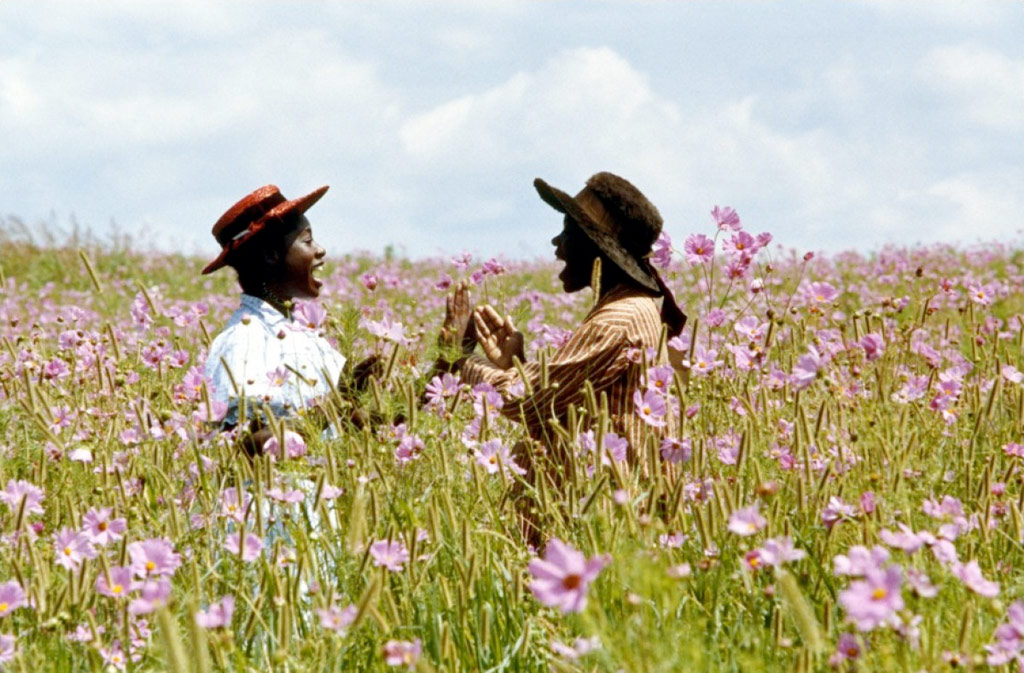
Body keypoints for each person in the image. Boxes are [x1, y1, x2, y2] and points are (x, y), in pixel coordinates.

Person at [444, 172, 687, 473]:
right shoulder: (633, 308)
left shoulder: (618, 320)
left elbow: (528, 401)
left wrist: (458, 360)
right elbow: (557, 397)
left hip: (608, 509)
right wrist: (513, 365)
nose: (556, 242)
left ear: (596, 248)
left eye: (568, 232)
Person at [201, 184, 375, 454]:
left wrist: (448, 364)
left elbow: (358, 427)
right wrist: (337, 403)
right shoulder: (245, 338)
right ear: (271, 256)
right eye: (307, 241)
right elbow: (245, 445)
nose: (320, 250)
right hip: (267, 496)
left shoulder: (303, 334)